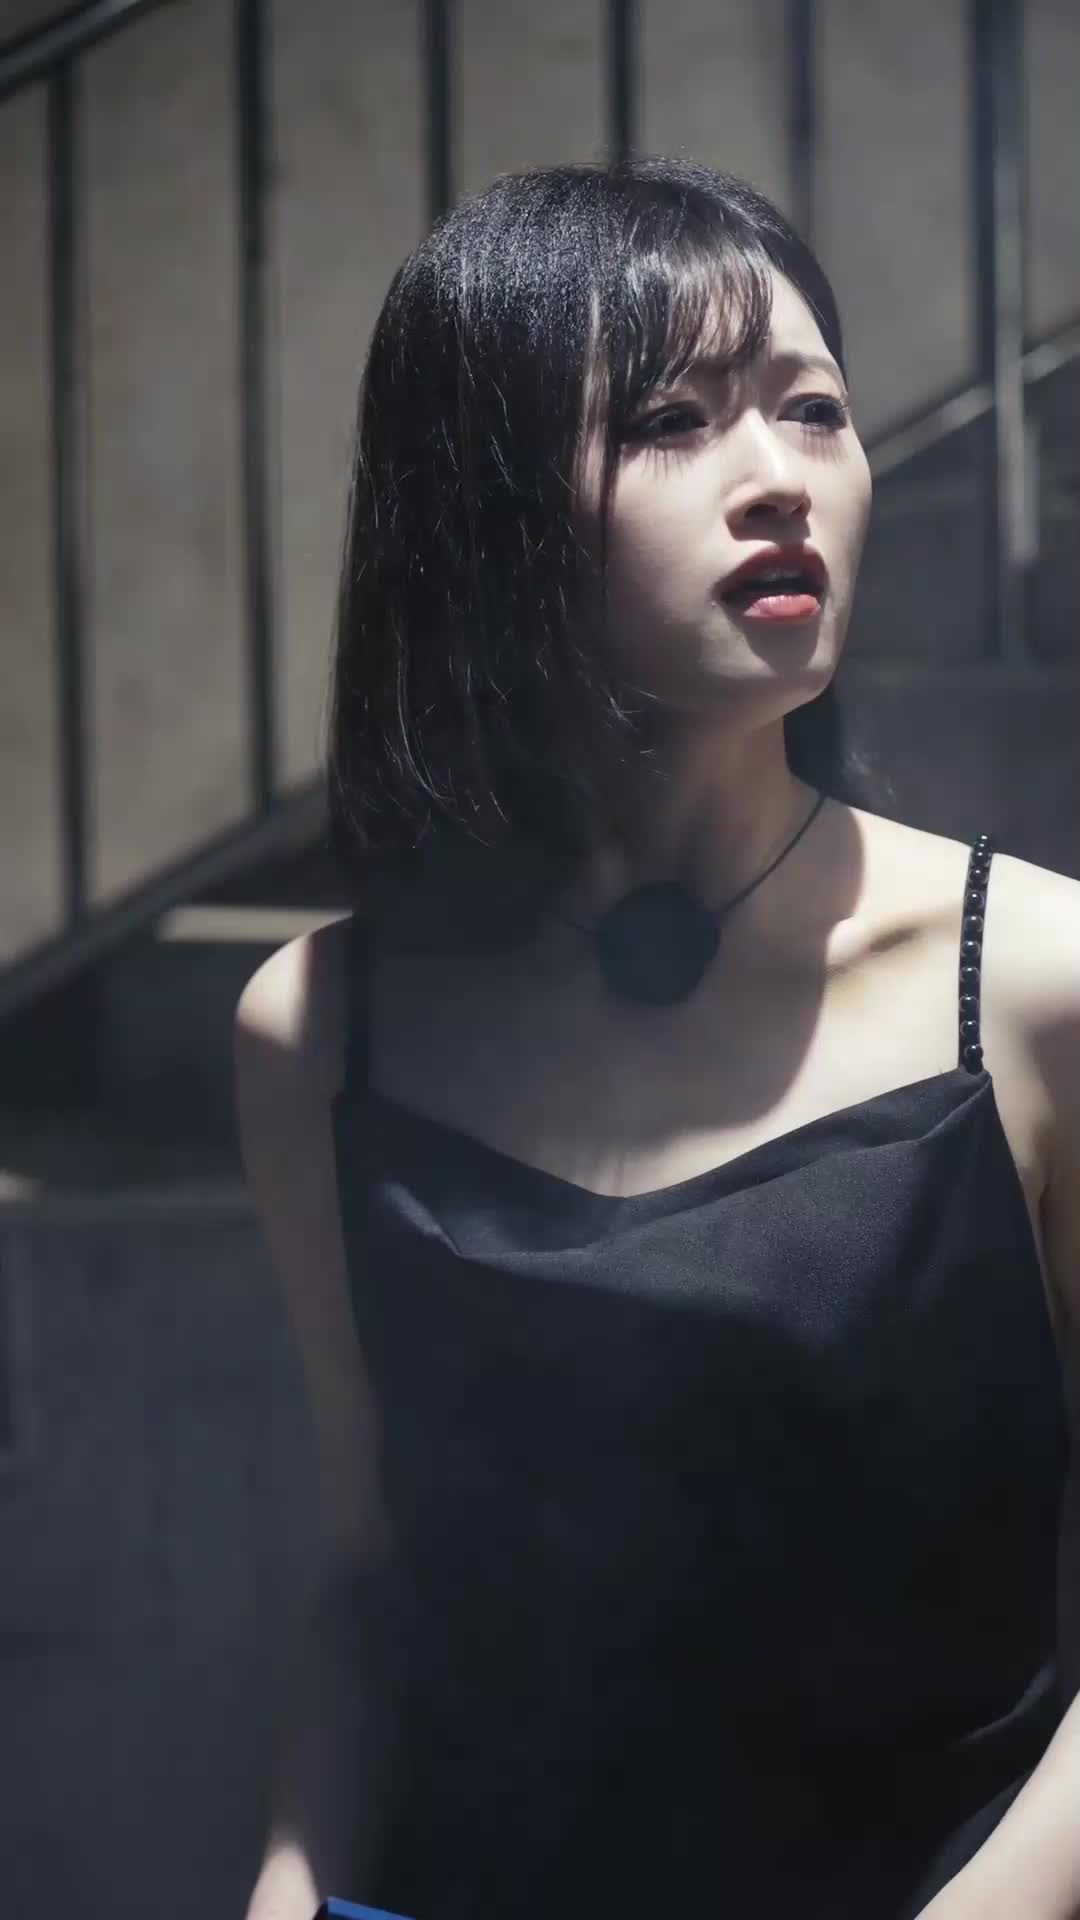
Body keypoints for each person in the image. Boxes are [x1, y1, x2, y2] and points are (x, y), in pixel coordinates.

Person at [235, 157, 1079, 1920]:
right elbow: (373, 1575)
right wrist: (290, 1892)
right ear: (483, 506)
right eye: (672, 421)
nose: (780, 479)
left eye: (814, 409)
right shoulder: (323, 1026)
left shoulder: (1033, 977)